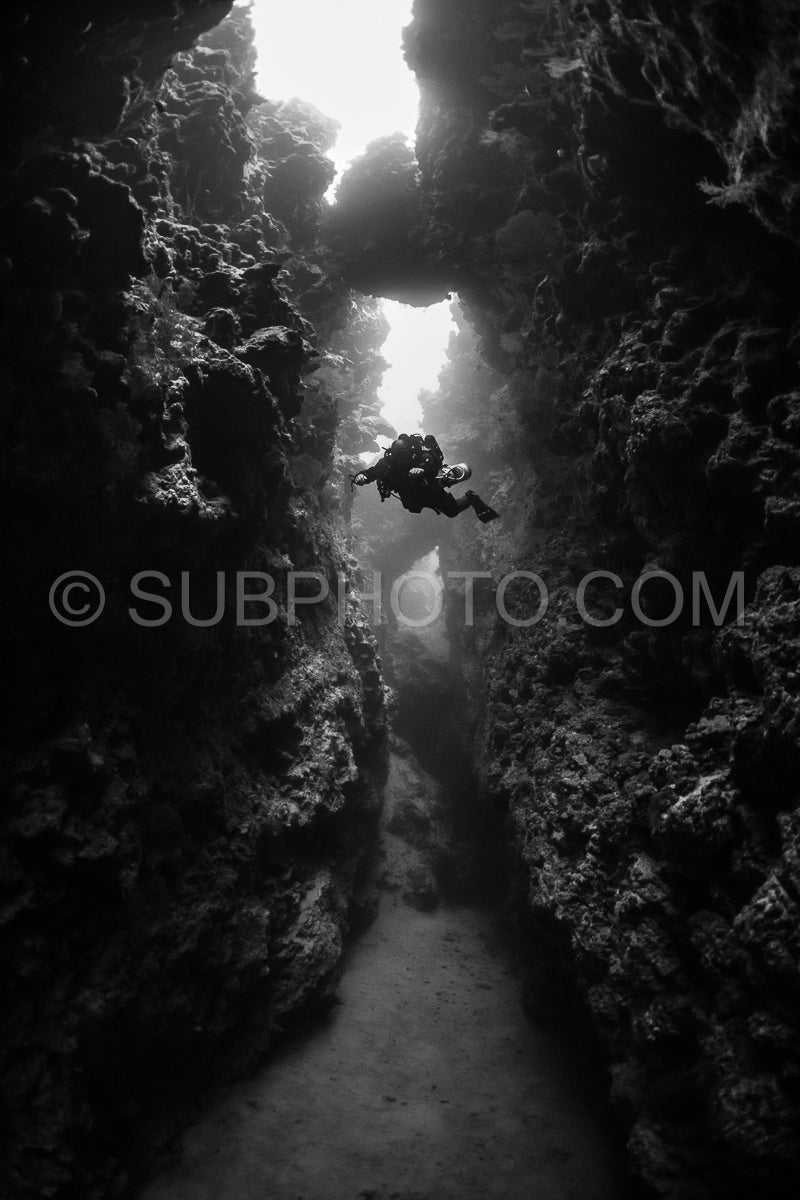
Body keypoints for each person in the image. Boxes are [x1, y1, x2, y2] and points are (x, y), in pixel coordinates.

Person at [353, 433, 499, 523]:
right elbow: (373, 472)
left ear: (410, 453)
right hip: (411, 497)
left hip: (431, 490)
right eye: (398, 457)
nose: (401, 460)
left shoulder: (420, 456)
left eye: (404, 456)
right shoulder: (388, 463)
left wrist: (422, 468)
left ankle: (471, 497)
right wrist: (362, 476)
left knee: (452, 511)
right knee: (412, 507)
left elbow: (430, 462)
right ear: (392, 455)